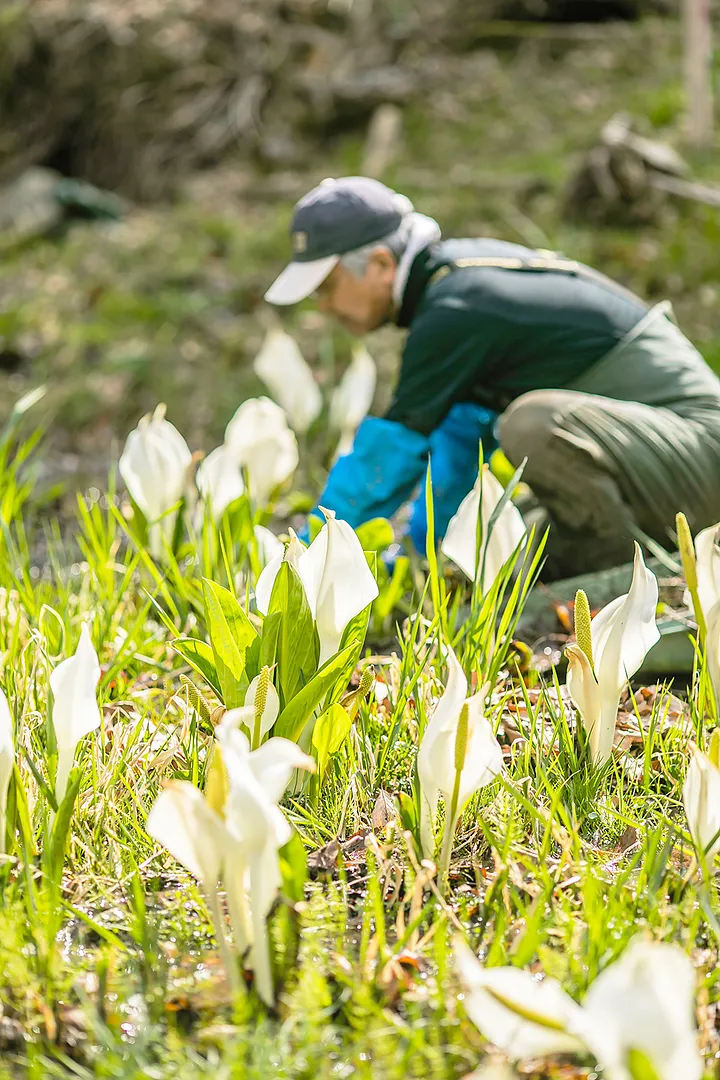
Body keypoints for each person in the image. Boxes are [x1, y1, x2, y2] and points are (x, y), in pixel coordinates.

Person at [265, 176, 720, 578]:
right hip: (669, 461)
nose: (322, 306)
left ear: (382, 264)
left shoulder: (456, 307)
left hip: (701, 454)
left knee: (534, 424)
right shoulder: (458, 285)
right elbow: (460, 440)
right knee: (505, 541)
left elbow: (388, 454)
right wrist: (416, 557)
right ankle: (617, 564)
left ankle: (622, 576)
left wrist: (307, 560)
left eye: (326, 287)